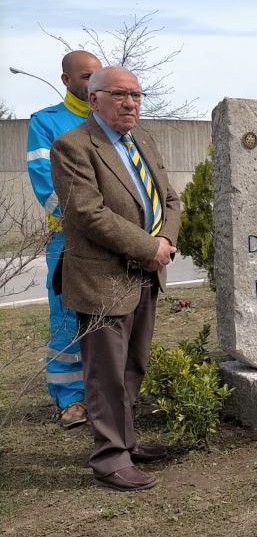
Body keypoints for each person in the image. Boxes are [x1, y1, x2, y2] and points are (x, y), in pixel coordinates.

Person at [51, 66, 180, 491]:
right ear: (94, 99)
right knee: (105, 371)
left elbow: (170, 198)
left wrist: (163, 240)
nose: (131, 103)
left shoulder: (143, 140)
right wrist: (148, 248)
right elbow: (87, 214)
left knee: (133, 364)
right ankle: (108, 457)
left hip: (146, 272)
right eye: (120, 95)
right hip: (102, 277)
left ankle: (126, 441)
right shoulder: (73, 147)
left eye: (137, 95)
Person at [27, 50, 102, 429]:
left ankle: (104, 393)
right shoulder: (46, 123)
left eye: (99, 75)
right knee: (66, 317)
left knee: (109, 317)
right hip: (69, 238)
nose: (94, 82)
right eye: (87, 75)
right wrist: (87, 220)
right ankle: (70, 400)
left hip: (110, 238)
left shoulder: (111, 122)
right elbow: (47, 181)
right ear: (67, 80)